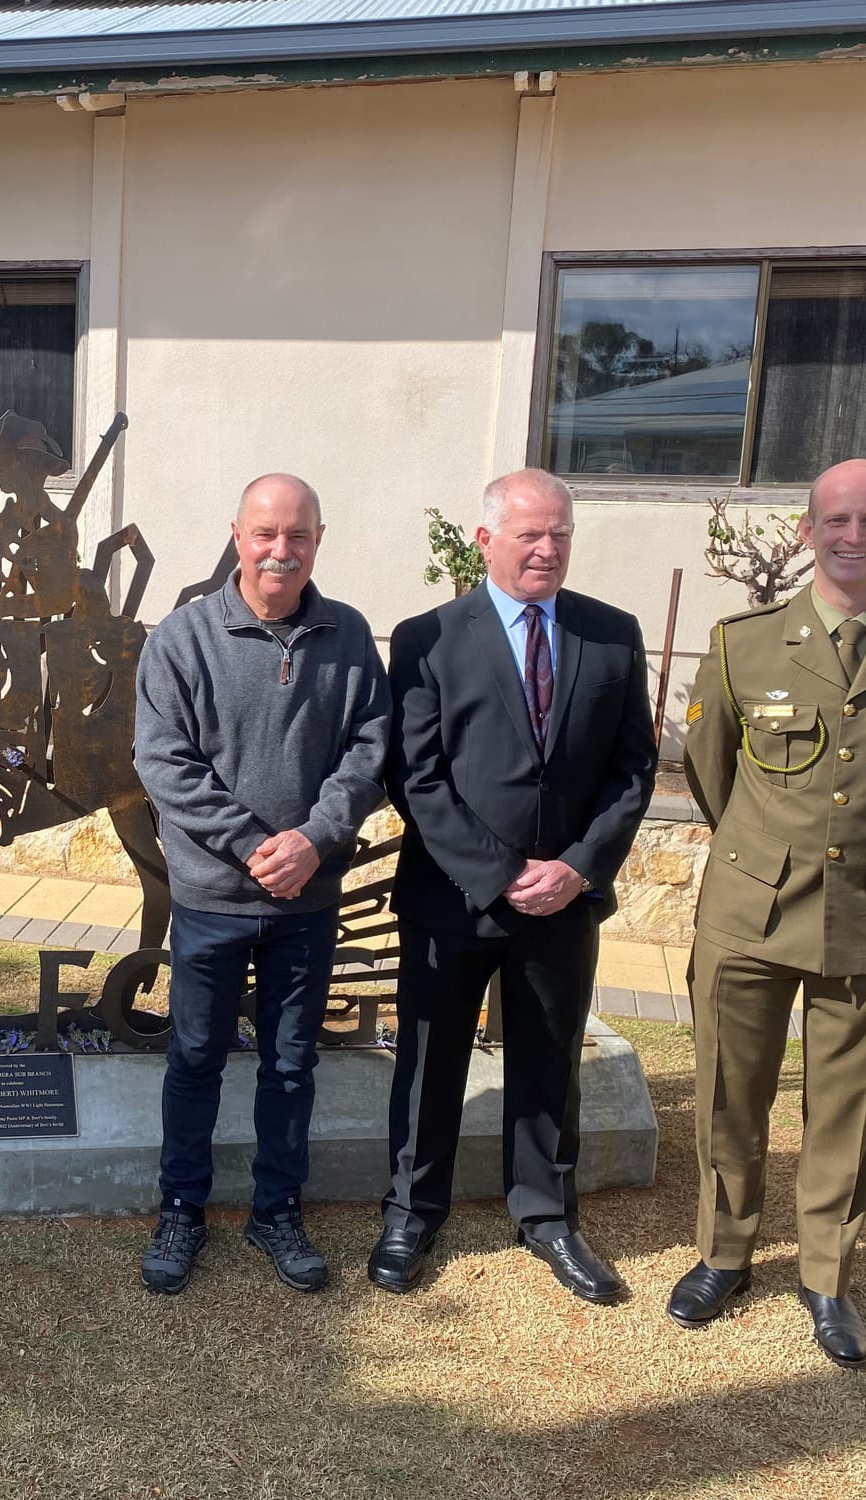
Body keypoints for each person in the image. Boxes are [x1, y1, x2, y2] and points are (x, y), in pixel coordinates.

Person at [671, 458, 866, 1368]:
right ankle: (724, 1254)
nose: (854, 536)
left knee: (843, 1107)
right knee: (733, 1091)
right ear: (807, 531)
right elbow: (711, 771)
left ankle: (825, 1276)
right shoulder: (744, 643)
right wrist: (771, 851)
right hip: (750, 909)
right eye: (836, 520)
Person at [373, 469, 655, 1305]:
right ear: (485, 539)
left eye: (561, 534)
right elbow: (415, 779)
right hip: (453, 899)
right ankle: (410, 1213)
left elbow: (634, 768)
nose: (548, 548)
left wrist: (575, 867)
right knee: (428, 1064)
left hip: (564, 902)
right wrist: (502, 874)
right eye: (530, 533)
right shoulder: (426, 637)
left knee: (548, 1061)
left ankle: (547, 1217)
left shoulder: (611, 634)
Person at [132, 473, 390, 1295]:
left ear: (319, 538)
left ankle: (277, 1212)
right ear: (237, 536)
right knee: (196, 1059)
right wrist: (252, 847)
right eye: (265, 533)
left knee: (288, 1066)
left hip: (306, 904)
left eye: (299, 535)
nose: (282, 550)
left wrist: (315, 840)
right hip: (211, 901)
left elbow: (371, 748)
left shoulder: (347, 637)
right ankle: (182, 1207)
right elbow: (163, 763)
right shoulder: (182, 637)